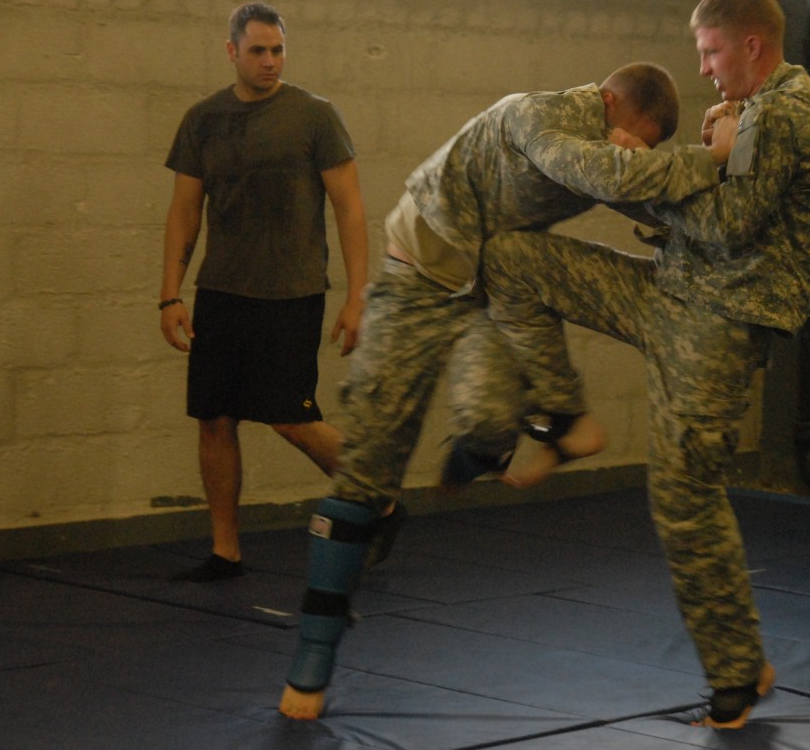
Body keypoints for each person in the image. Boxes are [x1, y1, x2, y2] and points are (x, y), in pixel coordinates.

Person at [277, 62, 739, 720]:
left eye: (643, 148)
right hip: (416, 276)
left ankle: (488, 449)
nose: (629, 154)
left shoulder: (610, 152)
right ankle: (313, 658)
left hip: (486, 287)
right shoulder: (537, 117)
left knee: (492, 423)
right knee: (367, 464)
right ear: (605, 103)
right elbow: (606, 174)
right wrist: (712, 156)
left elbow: (646, 196)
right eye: (631, 139)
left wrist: (730, 181)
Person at [480, 0, 810, 729]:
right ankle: (560, 413)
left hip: (718, 323)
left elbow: (726, 225)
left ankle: (737, 672)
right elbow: (697, 196)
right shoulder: (747, 110)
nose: (706, 70)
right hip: (668, 293)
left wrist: (630, 176)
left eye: (713, 53)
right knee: (512, 258)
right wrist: (635, 170)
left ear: (752, 45)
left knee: (682, 496)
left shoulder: (787, 114)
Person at [159, 2, 369, 583]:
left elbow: (350, 211)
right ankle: (225, 550)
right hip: (222, 293)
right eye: (258, 51)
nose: (270, 61)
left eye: (278, 50)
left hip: (292, 293)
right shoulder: (203, 119)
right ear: (232, 52)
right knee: (214, 418)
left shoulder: (315, 117)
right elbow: (184, 210)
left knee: (291, 420)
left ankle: (378, 496)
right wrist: (169, 294)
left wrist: (357, 297)